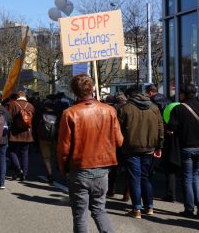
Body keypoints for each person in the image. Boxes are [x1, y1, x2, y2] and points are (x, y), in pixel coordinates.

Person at [57, 74, 123, 233]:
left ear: (74, 91)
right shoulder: (109, 110)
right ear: (92, 88)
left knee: (80, 215)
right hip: (103, 167)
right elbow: (119, 140)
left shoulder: (70, 113)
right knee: (100, 209)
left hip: (79, 168)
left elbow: (64, 147)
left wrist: (63, 168)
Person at [118, 87, 164, 218]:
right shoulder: (154, 108)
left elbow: (118, 129)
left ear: (130, 96)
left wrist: (120, 145)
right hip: (149, 148)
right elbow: (160, 128)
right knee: (146, 177)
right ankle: (149, 207)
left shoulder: (125, 109)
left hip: (131, 148)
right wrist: (159, 146)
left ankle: (137, 209)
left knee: (134, 178)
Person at [168, 84, 199, 218]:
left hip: (186, 146)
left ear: (184, 94)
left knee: (187, 177)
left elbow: (171, 126)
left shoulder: (179, 109)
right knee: (197, 177)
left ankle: (189, 208)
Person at [7, 91, 35, 181]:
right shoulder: (31, 106)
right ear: (25, 96)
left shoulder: (13, 104)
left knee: (12, 151)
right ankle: (24, 174)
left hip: (15, 132)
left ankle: (18, 169)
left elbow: (9, 118)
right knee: (25, 153)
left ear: (18, 96)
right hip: (27, 133)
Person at [38, 98, 58, 185]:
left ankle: (50, 173)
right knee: (56, 154)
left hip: (43, 138)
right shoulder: (58, 114)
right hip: (55, 138)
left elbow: (37, 127)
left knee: (46, 157)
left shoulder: (41, 114)